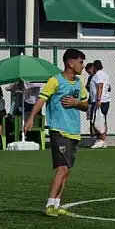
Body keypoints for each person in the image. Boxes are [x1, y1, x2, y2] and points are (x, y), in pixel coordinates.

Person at [24, 49, 89, 217]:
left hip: (74, 132)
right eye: (80, 62)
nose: (83, 66)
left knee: (67, 170)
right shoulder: (55, 81)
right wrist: (31, 118)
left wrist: (76, 103)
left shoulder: (79, 83)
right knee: (62, 168)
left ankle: (57, 204)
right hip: (59, 130)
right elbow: (41, 100)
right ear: (70, 63)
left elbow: (86, 104)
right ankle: (49, 204)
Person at [90, 60, 111, 149]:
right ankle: (103, 140)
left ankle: (100, 140)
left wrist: (98, 99)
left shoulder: (98, 74)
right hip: (105, 100)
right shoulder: (105, 74)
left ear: (94, 67)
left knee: (96, 121)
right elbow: (109, 87)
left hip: (99, 101)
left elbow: (100, 86)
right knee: (102, 120)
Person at [84, 62, 97, 138]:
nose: (89, 73)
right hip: (91, 101)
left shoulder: (99, 77)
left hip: (97, 101)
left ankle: (99, 136)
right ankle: (92, 136)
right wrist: (88, 87)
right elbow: (88, 87)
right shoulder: (90, 78)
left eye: (89, 71)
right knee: (91, 119)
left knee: (98, 119)